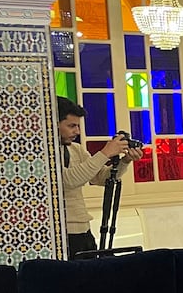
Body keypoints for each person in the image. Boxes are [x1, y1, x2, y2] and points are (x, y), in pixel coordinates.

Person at [56, 96, 143, 258]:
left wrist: (125, 161)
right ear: (54, 123)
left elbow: (101, 178)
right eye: (71, 126)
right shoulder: (43, 153)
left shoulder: (76, 149)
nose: (77, 132)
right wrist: (105, 153)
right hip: (60, 231)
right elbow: (67, 180)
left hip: (83, 229)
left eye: (78, 126)